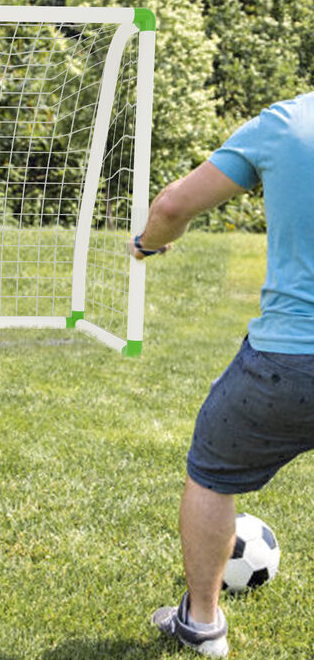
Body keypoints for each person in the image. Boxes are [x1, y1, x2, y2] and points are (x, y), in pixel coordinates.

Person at [130, 92, 314, 657]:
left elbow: (171, 210)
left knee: (212, 473)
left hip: (288, 362)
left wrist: (146, 245)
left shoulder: (287, 122)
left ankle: (203, 625)